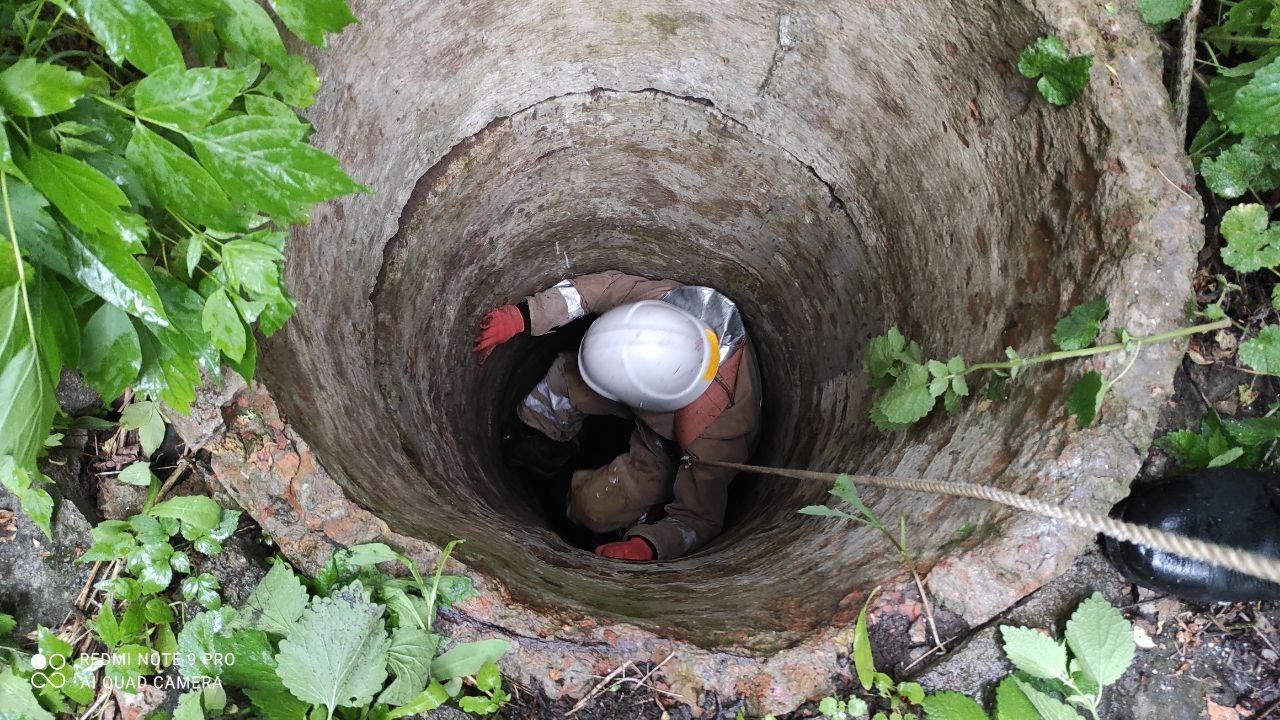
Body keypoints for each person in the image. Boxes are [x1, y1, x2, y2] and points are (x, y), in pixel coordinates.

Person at [473, 271, 762, 561]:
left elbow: (699, 519)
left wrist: (648, 546)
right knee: (566, 376)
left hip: (667, 449)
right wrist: (526, 315)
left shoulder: (716, 441)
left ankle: (606, 518)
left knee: (593, 507)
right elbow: (601, 289)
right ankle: (545, 450)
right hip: (650, 401)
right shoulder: (674, 311)